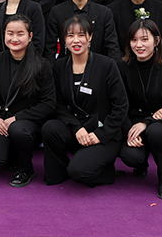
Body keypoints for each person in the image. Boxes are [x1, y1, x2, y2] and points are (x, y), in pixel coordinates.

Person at [42, 15, 128, 187]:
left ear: (90, 37)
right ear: (64, 39)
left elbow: (121, 105)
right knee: (50, 127)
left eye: (81, 35)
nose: (76, 40)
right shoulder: (59, 66)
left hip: (104, 133)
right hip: (79, 131)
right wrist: (77, 128)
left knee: (79, 172)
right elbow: (58, 105)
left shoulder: (107, 65)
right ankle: (60, 172)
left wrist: (100, 134)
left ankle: (105, 170)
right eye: (70, 35)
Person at [0, 14, 56, 187]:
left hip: (28, 122)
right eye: (10, 33)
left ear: (30, 36)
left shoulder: (42, 65)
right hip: (2, 120)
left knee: (18, 130)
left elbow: (48, 103)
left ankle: (25, 169)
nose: (14, 39)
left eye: (20, 34)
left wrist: (17, 118)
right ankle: (12, 154)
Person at [118, 19, 162, 200]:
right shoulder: (121, 67)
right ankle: (141, 162)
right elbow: (119, 105)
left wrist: (148, 122)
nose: (139, 45)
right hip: (132, 125)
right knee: (131, 157)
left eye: (145, 39)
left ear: (157, 41)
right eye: (134, 40)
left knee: (156, 131)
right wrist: (130, 131)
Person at [45, 0, 122, 62]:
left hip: (98, 65)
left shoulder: (104, 13)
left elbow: (112, 47)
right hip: (65, 66)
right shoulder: (57, 12)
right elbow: (50, 48)